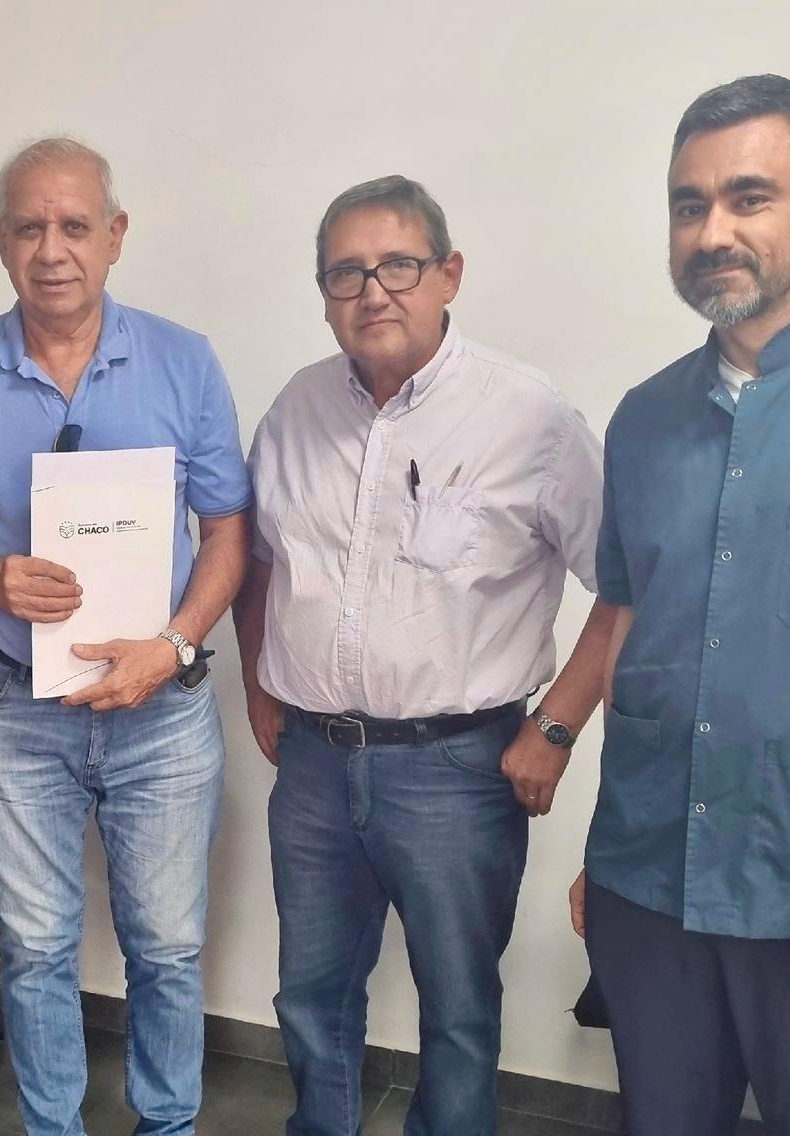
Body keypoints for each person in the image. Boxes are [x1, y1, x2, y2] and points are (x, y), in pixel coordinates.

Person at [571, 73, 790, 1136]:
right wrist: (608, 858)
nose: (711, 230)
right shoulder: (644, 419)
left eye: (749, 197)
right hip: (649, 891)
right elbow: (635, 634)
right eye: (689, 205)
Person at [235, 175, 613, 1136]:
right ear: (324, 294)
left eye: (397, 266)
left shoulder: (530, 417)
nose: (373, 292)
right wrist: (258, 684)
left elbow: (626, 585)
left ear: (449, 274)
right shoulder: (295, 410)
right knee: (310, 995)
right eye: (346, 273)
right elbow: (258, 560)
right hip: (314, 764)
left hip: (459, 768)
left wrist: (556, 728)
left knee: (458, 1010)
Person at [0, 136, 251, 1136]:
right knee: (37, 945)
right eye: (29, 227)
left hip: (162, 707)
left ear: (115, 235)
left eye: (73, 225)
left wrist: (172, 646)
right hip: (11, 707)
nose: (51, 249)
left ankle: (167, 1123)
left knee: (168, 946)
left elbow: (228, 530)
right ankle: (53, 1126)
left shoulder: (184, 360)